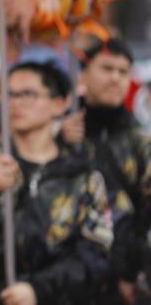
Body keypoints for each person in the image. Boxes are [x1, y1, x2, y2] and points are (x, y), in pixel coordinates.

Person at [0, 61, 115, 305]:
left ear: (59, 103)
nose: (16, 102)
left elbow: (96, 254)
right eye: (9, 94)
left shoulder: (83, 177)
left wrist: (38, 290)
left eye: (28, 93)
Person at [61, 37, 151, 303]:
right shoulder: (59, 129)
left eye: (123, 71)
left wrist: (129, 271)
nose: (115, 78)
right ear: (83, 74)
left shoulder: (139, 141)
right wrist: (59, 142)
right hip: (65, 277)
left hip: (120, 281)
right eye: (107, 68)